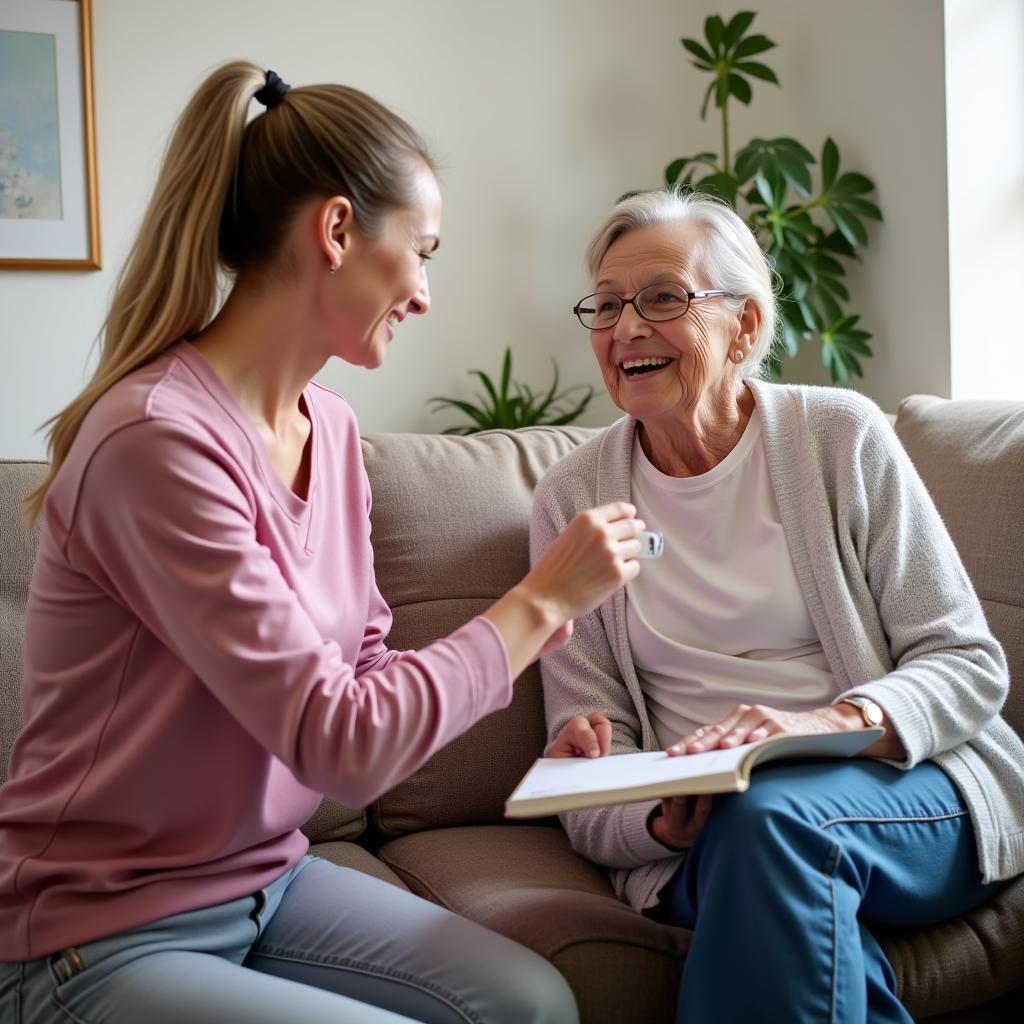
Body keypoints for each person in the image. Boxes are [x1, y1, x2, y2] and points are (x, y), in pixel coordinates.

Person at [0, 62, 647, 1024]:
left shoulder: (331, 430)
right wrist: (537, 603)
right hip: (99, 928)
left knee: (534, 1004)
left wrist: (552, 727)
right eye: (420, 251)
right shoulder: (158, 445)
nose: (424, 293)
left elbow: (367, 671)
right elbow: (337, 742)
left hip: (269, 881)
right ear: (338, 231)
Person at [531, 187, 1024, 1024]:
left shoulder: (840, 437)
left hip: (904, 789)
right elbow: (586, 768)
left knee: (771, 824)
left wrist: (823, 724)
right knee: (765, 846)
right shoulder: (572, 500)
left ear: (747, 326)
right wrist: (656, 820)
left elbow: (967, 664)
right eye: (607, 306)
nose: (624, 330)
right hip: (712, 841)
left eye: (662, 298)